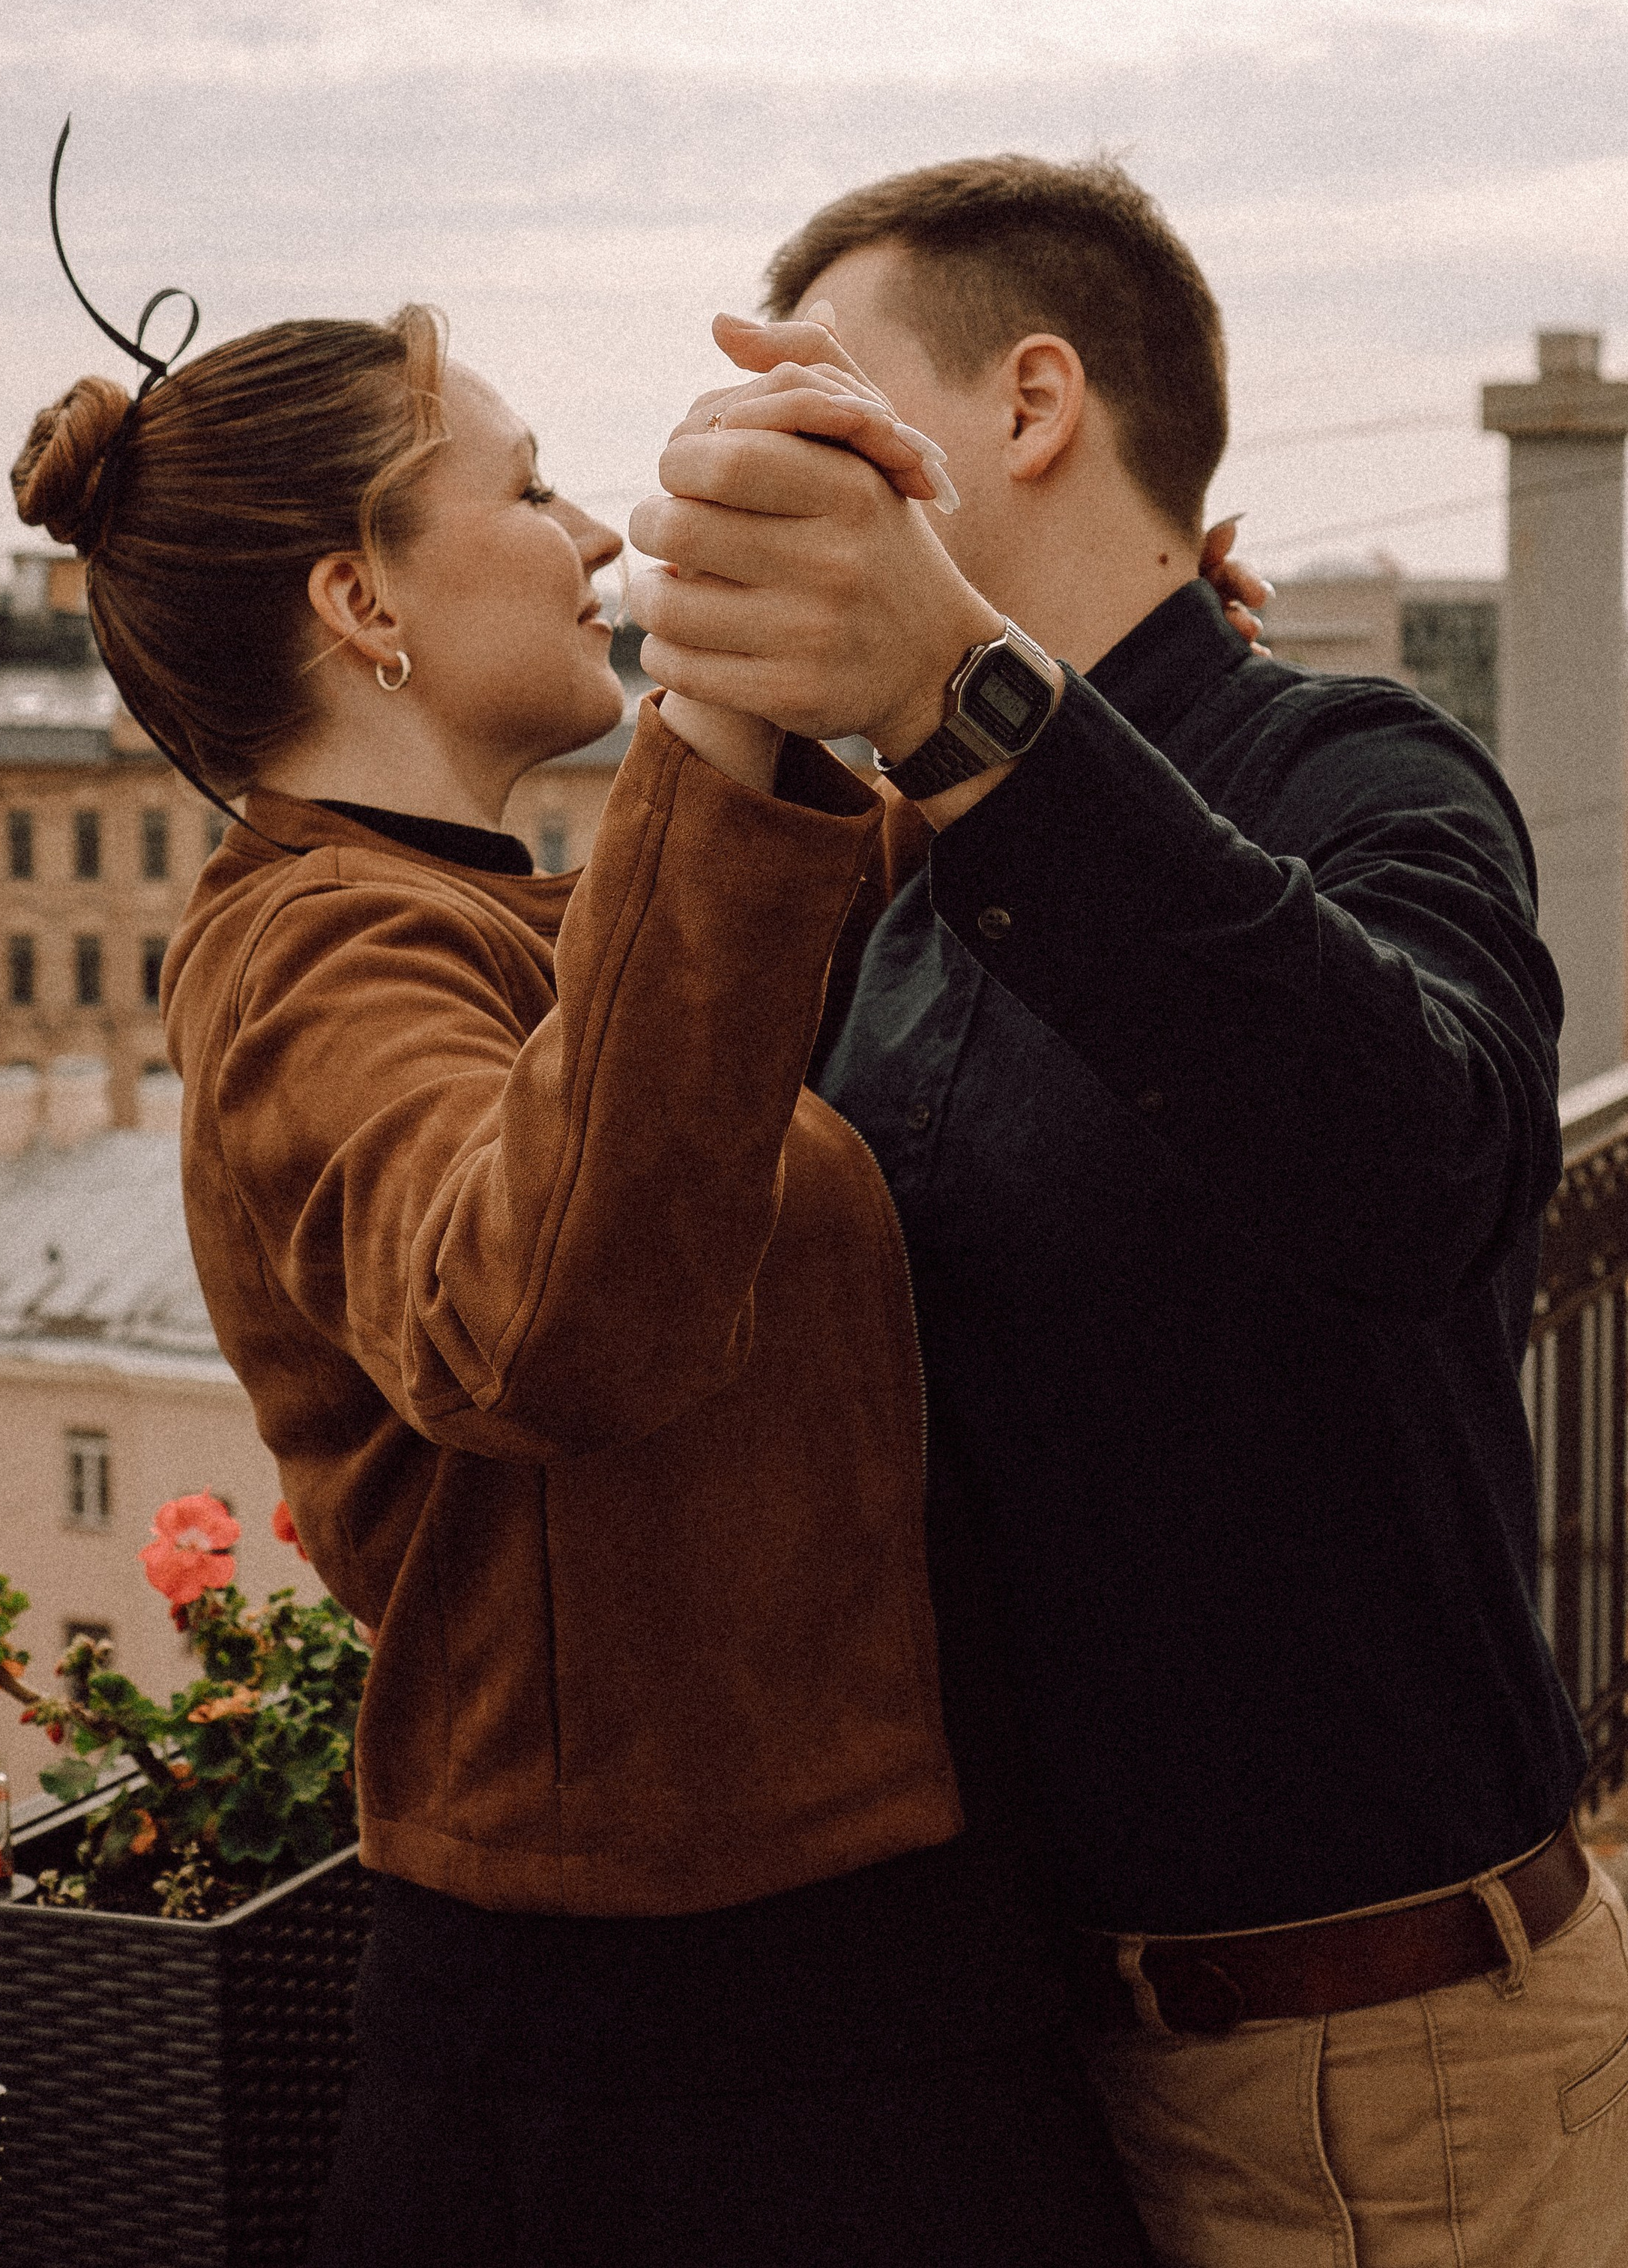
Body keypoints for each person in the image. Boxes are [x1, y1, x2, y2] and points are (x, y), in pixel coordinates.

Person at [9, 301, 1153, 2268]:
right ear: (364, 602)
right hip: (652, 2068)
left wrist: (1063, 633)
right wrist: (725, 709)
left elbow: (757, 984)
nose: (603, 537)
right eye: (530, 487)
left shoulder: (518, 919)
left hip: (842, 1986)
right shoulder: (308, 958)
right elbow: (541, 1309)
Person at [630, 153, 1628, 2268]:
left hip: (1400, 2084)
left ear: (1031, 406)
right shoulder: (905, 895)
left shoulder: (1361, 774)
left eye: (829, 399)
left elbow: (1434, 1173)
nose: (764, 464)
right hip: (1032, 2075)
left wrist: (965, 709)